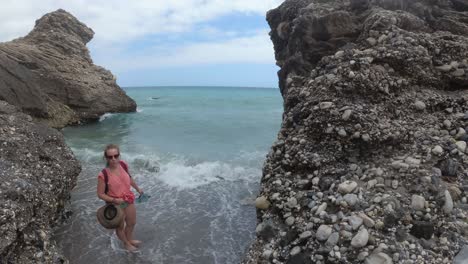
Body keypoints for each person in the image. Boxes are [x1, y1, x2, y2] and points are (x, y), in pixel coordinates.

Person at [97, 144, 144, 251]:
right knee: (120, 226)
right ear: (106, 158)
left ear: (119, 155)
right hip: (115, 204)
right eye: (110, 157)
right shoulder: (103, 174)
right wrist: (115, 200)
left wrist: (138, 189)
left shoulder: (123, 164)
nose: (113, 159)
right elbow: (100, 194)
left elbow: (129, 178)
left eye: (116, 155)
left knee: (131, 222)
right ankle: (126, 243)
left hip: (127, 199)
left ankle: (130, 239)